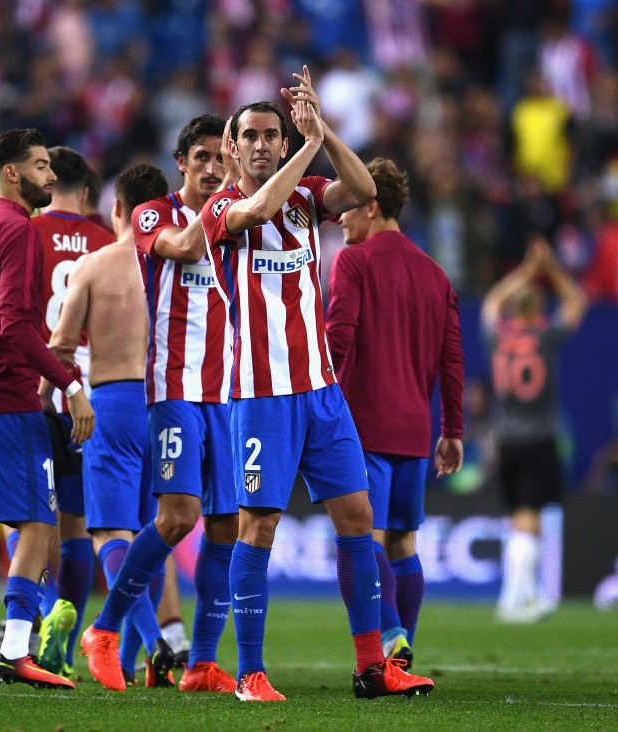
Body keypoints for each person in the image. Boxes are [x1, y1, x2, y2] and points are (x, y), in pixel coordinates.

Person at [198, 68, 435, 702]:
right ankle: (250, 673)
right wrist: (305, 148)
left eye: (270, 135)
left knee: (357, 517)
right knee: (260, 525)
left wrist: (321, 129)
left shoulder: (308, 196)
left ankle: (371, 666)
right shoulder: (221, 208)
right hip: (261, 394)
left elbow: (363, 189)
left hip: (322, 393)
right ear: (233, 147)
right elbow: (258, 208)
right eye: (249, 136)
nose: (260, 144)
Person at [80, 114, 243, 694]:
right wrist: (224, 198)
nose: (211, 167)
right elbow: (180, 245)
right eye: (201, 157)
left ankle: (200, 664)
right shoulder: (158, 215)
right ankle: (104, 629)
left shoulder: (239, 216)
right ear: (182, 162)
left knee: (227, 524)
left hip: (225, 394)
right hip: (171, 389)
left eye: (220, 158)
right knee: (178, 517)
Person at [0, 128, 94, 691]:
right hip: (6, 401)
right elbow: (17, 326)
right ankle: (13, 648)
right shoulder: (20, 231)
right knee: (39, 522)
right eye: (39, 166)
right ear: (12, 173)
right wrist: (69, 383)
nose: (51, 176)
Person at [326, 157, 465, 670]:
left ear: (371, 205)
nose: (339, 217)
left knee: (367, 537)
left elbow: (337, 339)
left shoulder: (353, 262)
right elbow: (453, 359)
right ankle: (401, 646)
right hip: (415, 429)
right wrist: (452, 430)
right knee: (404, 541)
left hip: (362, 424)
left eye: (346, 206)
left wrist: (317, 406)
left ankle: (387, 636)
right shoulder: (436, 274)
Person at [45, 163, 170, 691]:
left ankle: (150, 641)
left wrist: (56, 399)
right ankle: (151, 655)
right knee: (151, 532)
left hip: (113, 402)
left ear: (116, 207)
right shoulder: (172, 267)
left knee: (109, 534)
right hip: (167, 406)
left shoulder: (94, 267)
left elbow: (60, 346)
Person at [28, 146, 115, 678]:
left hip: (34, 383)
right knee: (77, 524)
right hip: (89, 390)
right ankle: (67, 638)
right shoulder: (107, 243)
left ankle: (39, 615)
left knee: (27, 516)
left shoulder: (26, 234)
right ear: (87, 192)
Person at [481, 234, 587, 623]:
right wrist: (550, 270)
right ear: (538, 311)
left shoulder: (498, 337)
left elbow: (492, 302)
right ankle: (514, 599)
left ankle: (524, 595)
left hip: (505, 438)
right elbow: (577, 302)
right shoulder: (544, 336)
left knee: (520, 517)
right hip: (539, 436)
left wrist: (525, 272)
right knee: (529, 515)